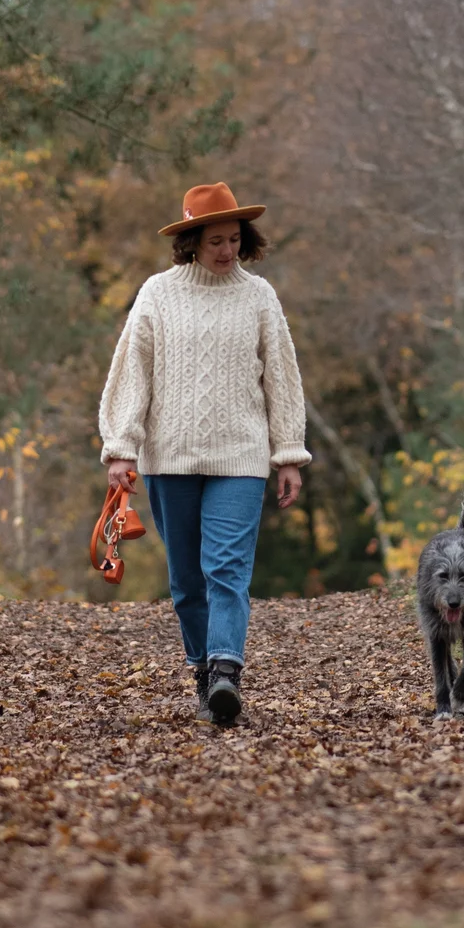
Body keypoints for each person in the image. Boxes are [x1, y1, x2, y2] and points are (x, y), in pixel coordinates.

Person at [96, 182, 310, 726]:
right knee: (188, 579)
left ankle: (225, 674)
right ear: (191, 240)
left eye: (234, 239)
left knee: (227, 568)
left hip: (240, 456)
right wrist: (122, 448)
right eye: (215, 240)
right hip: (170, 458)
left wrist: (287, 454)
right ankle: (202, 666)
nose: (226, 250)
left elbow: (281, 377)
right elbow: (131, 373)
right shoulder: (157, 294)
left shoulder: (258, 295)